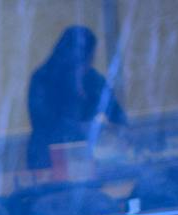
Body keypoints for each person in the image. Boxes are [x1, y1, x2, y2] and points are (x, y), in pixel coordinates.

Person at [26, 25, 127, 171]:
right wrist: (82, 127)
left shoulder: (93, 79)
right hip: (47, 159)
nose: (88, 63)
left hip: (85, 159)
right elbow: (43, 123)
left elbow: (118, 115)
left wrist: (115, 131)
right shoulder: (42, 79)